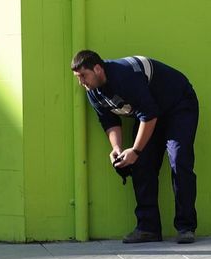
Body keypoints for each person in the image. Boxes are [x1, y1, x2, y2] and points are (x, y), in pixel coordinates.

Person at [71, 50, 199, 244]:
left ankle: (186, 227)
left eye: (83, 76)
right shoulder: (93, 92)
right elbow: (109, 121)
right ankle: (148, 228)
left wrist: (136, 150)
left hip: (178, 105)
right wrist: (117, 148)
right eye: (78, 77)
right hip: (150, 114)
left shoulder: (124, 76)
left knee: (179, 159)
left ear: (97, 69)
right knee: (141, 165)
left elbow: (149, 115)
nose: (81, 82)